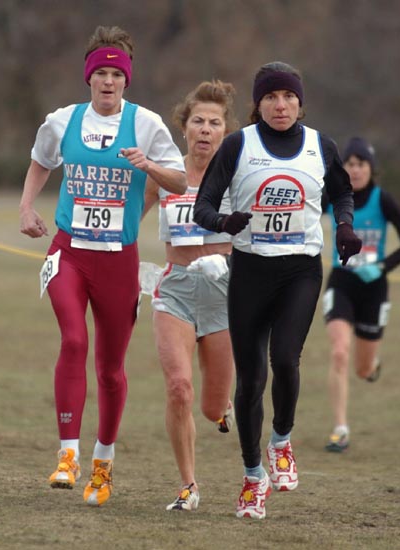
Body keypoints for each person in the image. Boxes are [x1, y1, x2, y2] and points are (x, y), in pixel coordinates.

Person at [18, 25, 186, 507]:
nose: (108, 82)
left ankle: (102, 463)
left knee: (110, 369)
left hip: (119, 260)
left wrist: (148, 167)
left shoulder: (147, 125)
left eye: (116, 74)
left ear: (126, 80)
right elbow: (39, 161)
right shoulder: (62, 121)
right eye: (101, 74)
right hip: (69, 252)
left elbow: (177, 180)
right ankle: (67, 454)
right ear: (88, 78)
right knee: (73, 339)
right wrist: (27, 208)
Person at [193, 61, 362, 519]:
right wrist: (223, 222)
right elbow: (202, 206)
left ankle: (281, 442)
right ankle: (253, 479)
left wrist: (344, 226)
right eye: (270, 97)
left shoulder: (318, 146)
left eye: (288, 96)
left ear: (299, 103)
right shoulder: (238, 145)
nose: (280, 104)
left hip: (300, 270)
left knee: (286, 358)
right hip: (249, 271)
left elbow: (343, 193)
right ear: (258, 104)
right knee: (250, 383)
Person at [141, 80, 239, 512]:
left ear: (224, 130)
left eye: (214, 123)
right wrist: (125, 269)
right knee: (179, 387)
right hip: (176, 290)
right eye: (197, 120)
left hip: (225, 293)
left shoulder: (239, 176)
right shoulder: (166, 176)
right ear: (184, 128)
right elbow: (125, 225)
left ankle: (222, 408)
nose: (205, 129)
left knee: (210, 406)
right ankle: (188, 485)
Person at [322, 137, 400, 452]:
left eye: (361, 164)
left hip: (374, 287)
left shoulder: (382, 200)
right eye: (349, 163)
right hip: (342, 282)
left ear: (370, 169)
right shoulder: (334, 198)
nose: (355, 169)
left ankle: (372, 365)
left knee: (362, 370)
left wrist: (381, 267)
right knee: (339, 352)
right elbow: (304, 219)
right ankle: (340, 428)